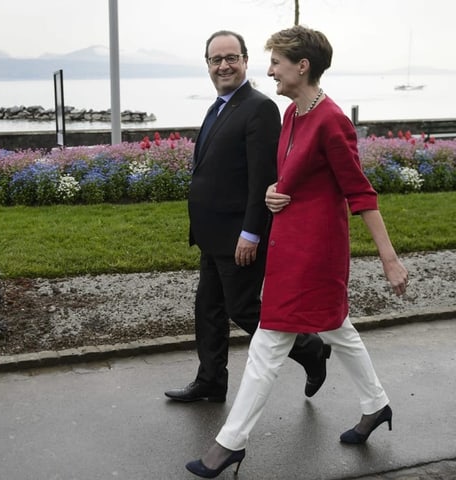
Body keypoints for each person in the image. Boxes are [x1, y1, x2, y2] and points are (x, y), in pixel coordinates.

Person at [185, 25, 409, 478]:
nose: (269, 71)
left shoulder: (331, 121)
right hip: (289, 245)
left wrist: (389, 257)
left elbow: (360, 194)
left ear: (301, 66)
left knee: (268, 342)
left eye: (276, 63)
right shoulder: (292, 115)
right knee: (338, 328)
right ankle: (377, 404)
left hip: (316, 254)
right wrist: (273, 191)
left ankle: (230, 442)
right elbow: (288, 177)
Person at [165, 30, 330, 404]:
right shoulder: (219, 106)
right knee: (208, 310)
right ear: (207, 65)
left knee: (243, 309)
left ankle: (310, 349)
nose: (223, 65)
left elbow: (263, 180)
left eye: (230, 58)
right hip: (212, 235)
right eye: (215, 59)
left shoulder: (258, 107)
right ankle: (210, 381)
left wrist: (251, 234)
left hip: (239, 236)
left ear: (244, 60)